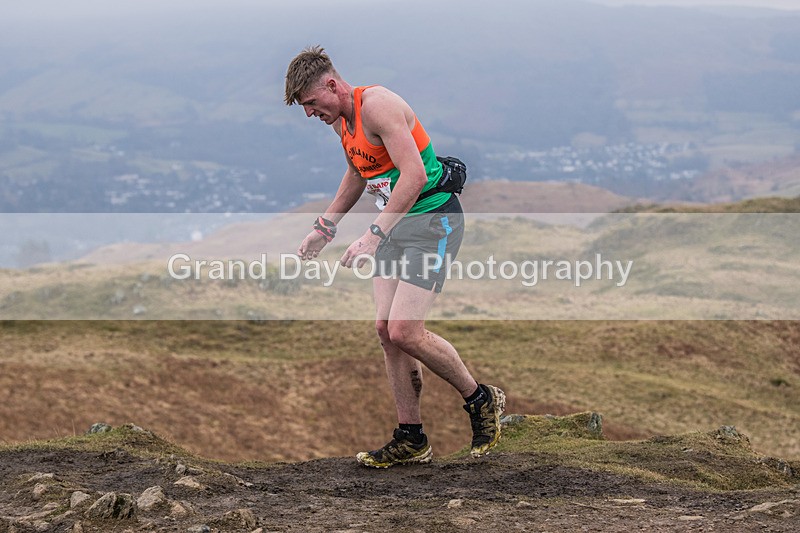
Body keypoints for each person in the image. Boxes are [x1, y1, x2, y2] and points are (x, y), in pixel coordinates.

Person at [285, 45, 505, 468]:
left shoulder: (378, 106)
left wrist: (371, 236)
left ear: (332, 85)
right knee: (386, 333)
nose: (310, 114)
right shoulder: (342, 122)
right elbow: (356, 171)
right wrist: (324, 227)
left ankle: (480, 399)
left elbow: (415, 175)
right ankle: (411, 437)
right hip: (394, 226)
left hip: (431, 222)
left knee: (405, 329)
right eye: (304, 108)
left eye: (311, 103)